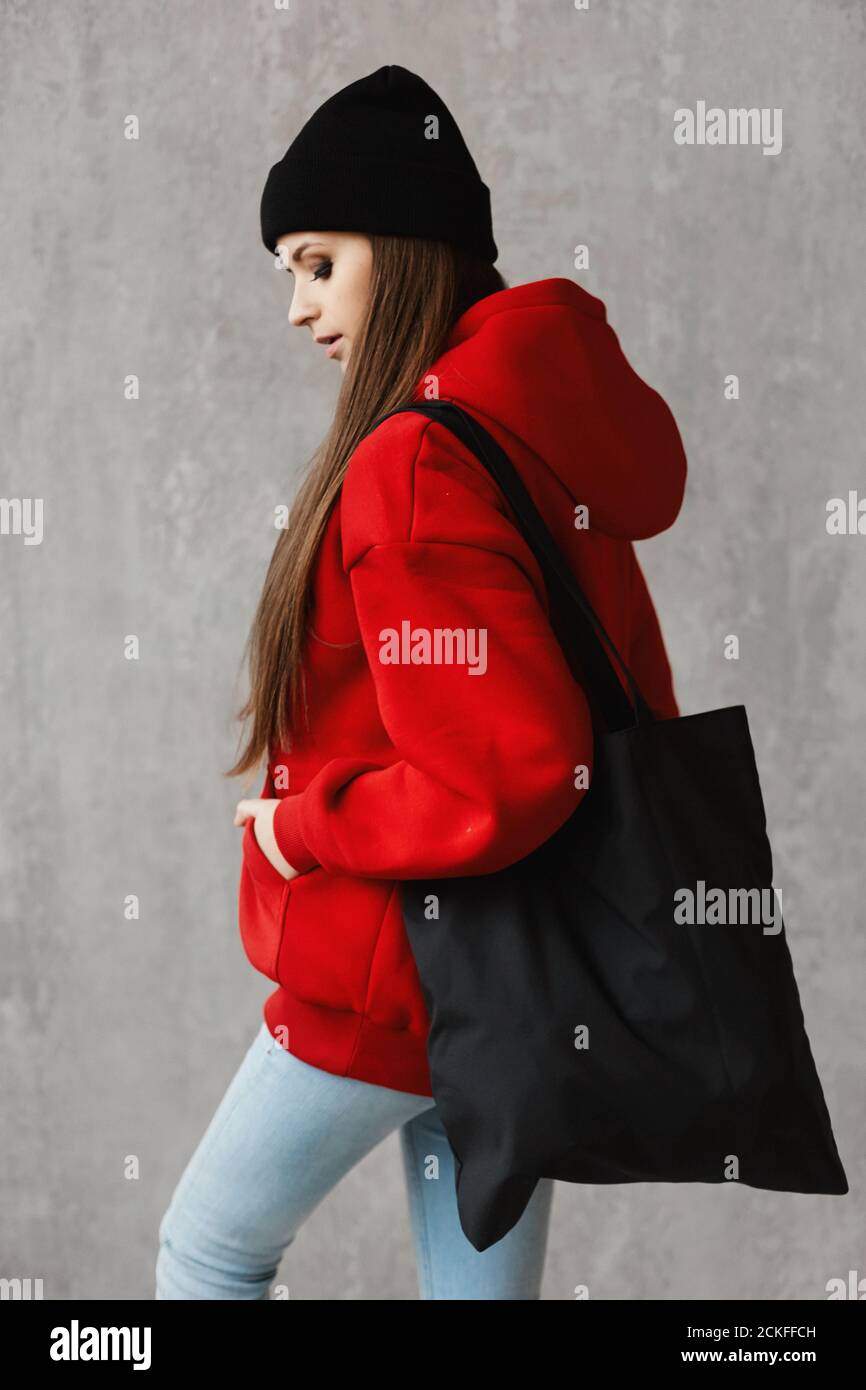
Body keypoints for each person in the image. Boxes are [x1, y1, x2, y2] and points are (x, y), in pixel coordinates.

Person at [155, 64, 687, 1301]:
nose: (296, 306)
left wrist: (306, 820)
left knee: (207, 1254)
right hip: (518, 980)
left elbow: (503, 765)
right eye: (288, 269)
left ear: (404, 247)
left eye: (318, 261)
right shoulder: (533, 431)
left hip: (395, 975)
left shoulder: (412, 461)